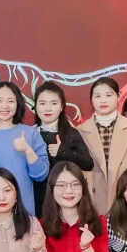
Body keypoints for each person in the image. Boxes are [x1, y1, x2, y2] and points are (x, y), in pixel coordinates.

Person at [0, 82, 50, 216]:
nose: (5, 106)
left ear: (18, 104)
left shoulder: (30, 134)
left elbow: (41, 175)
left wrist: (28, 150)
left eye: (10, 101)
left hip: (23, 212)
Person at [77, 77, 127, 216]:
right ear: (91, 99)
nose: (103, 100)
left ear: (118, 96)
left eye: (108, 95)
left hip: (125, 200)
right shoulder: (80, 131)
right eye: (97, 96)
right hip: (91, 203)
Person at [32, 83, 94, 214]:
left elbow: (88, 163)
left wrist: (63, 151)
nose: (47, 108)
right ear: (35, 106)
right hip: (35, 199)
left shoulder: (70, 133)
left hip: (65, 200)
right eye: (42, 103)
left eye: (54, 103)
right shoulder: (30, 133)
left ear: (61, 107)